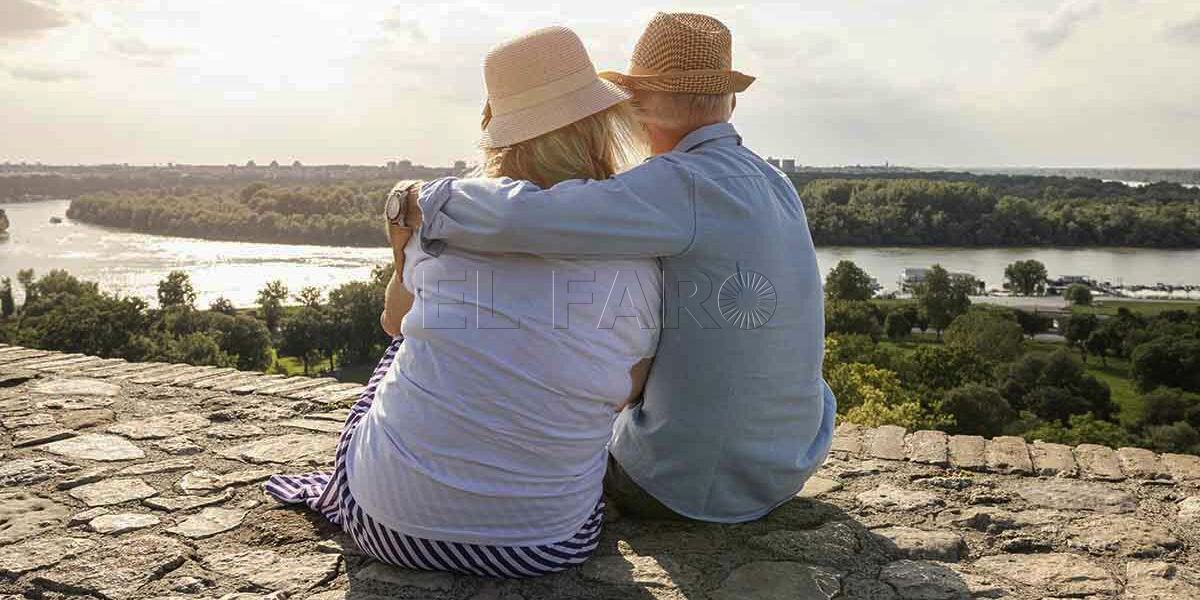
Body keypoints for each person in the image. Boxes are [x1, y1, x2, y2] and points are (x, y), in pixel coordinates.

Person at [406, 12, 837, 523]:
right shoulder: (776, 184)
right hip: (789, 463)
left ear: (637, 105)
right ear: (732, 101)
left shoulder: (677, 185)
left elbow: (524, 217)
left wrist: (421, 198)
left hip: (690, 484)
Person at [265, 26, 662, 578]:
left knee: (399, 353)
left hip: (388, 528)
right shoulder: (638, 251)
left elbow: (393, 321)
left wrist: (401, 245)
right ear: (599, 128)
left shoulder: (446, 223)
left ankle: (377, 487)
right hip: (545, 544)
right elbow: (630, 388)